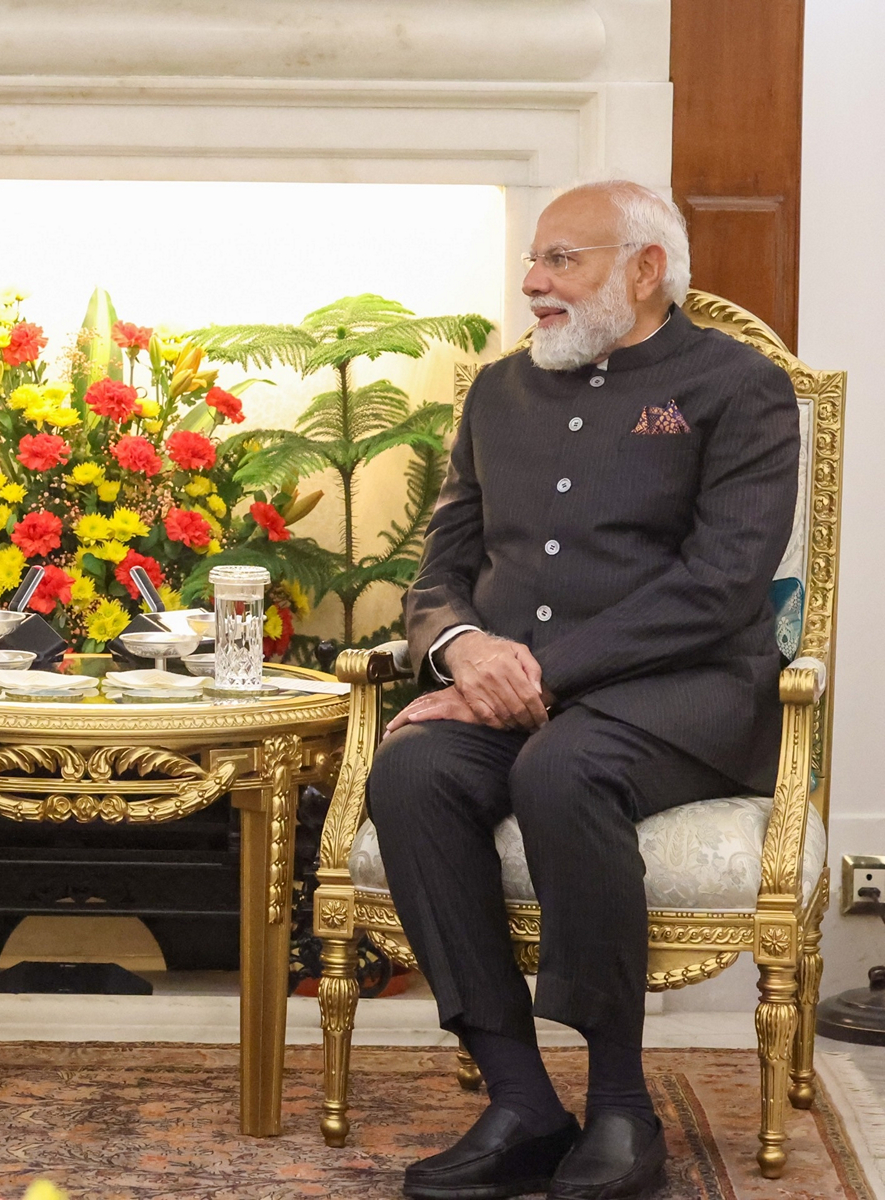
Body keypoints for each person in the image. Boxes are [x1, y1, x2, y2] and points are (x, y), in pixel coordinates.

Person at [369, 180, 798, 1200]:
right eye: (533, 260)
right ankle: (519, 1101)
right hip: (508, 691)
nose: (531, 283)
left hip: (686, 696)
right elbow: (441, 568)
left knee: (563, 768)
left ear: (645, 270)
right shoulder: (497, 391)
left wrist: (536, 674)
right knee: (415, 771)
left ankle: (619, 1108)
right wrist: (464, 648)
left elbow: (722, 582)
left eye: (561, 259)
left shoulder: (737, 388)